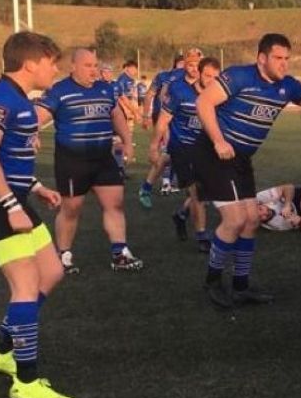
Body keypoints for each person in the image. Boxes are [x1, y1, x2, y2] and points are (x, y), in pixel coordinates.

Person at [194, 33, 301, 308]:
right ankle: (212, 281)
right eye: (278, 58)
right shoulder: (239, 76)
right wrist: (218, 140)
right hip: (214, 154)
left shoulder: (288, 86)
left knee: (251, 221)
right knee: (234, 220)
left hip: (241, 159)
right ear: (262, 58)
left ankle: (241, 285)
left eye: (287, 58)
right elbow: (204, 103)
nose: (284, 64)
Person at [0, 31, 71, 398]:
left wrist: (37, 186)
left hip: (14, 198)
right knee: (25, 284)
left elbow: (11, 157)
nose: (54, 68)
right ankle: (25, 380)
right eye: (51, 61)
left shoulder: (20, 100)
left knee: (53, 271)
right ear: (30, 63)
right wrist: (12, 205)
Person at [35, 47, 141, 274]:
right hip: (72, 160)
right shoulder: (59, 91)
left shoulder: (106, 89)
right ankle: (63, 255)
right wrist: (31, 134)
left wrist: (128, 141)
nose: (93, 71)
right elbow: (39, 116)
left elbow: (116, 116)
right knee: (71, 209)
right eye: (88, 66)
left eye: (95, 66)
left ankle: (119, 252)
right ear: (73, 66)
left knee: (115, 204)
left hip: (104, 157)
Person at [153, 55, 221, 251]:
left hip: (205, 149)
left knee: (206, 191)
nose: (211, 81)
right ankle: (202, 236)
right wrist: (153, 145)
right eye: (207, 76)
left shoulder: (219, 95)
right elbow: (164, 119)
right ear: (198, 73)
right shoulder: (180, 91)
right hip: (182, 148)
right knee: (198, 191)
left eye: (215, 77)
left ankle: (181, 214)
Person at [139, 52, 192, 207]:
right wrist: (146, 116)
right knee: (168, 152)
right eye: (185, 63)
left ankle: (183, 188)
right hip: (169, 118)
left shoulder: (197, 77)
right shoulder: (168, 77)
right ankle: (164, 183)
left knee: (174, 154)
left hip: (184, 120)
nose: (189, 67)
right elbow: (155, 95)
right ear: (176, 64)